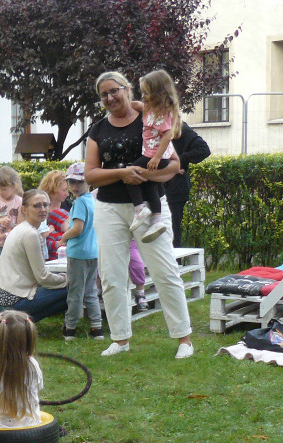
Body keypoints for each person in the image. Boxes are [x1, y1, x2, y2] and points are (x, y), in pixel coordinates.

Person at [85, 71, 194, 359]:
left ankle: (184, 339)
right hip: (109, 208)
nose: (110, 97)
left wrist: (144, 175)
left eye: (114, 90)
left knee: (164, 271)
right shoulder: (97, 130)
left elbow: (174, 165)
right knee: (112, 276)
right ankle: (120, 339)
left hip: (150, 207)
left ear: (127, 89)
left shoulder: (150, 117)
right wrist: (122, 173)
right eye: (104, 94)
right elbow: (90, 175)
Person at [0, 189, 68, 321]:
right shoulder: (30, 233)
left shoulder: (20, 228)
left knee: (66, 287)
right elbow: (42, 277)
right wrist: (67, 278)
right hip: (12, 301)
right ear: (24, 210)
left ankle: (22, 322)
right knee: (74, 287)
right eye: (37, 205)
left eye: (46, 205)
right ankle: (22, 321)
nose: (43, 209)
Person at [125, 69, 182, 244]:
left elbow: (167, 136)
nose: (143, 96)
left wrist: (156, 157)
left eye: (146, 93)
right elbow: (139, 105)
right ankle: (157, 221)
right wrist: (130, 104)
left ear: (158, 93)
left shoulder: (162, 114)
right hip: (153, 155)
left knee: (130, 174)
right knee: (151, 186)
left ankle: (140, 209)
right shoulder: (151, 109)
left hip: (154, 155)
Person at [58, 163, 103, 340]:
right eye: (71, 182)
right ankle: (97, 327)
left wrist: (64, 237)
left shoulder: (79, 203)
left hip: (78, 254)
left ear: (88, 182)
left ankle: (70, 328)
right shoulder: (93, 200)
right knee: (91, 291)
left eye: (79, 182)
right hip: (93, 252)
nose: (75, 186)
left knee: (75, 292)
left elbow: (77, 228)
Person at [165, 123, 211, 248]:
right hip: (154, 186)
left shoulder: (179, 127)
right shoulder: (148, 125)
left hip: (174, 187)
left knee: (172, 233)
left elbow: (203, 150)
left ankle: (175, 260)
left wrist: (177, 161)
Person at [0, 166, 22, 267]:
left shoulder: (19, 202)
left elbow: (19, 227)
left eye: (4, 189)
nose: (0, 192)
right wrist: (0, 221)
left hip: (12, 242)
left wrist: (4, 235)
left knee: (12, 268)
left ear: (14, 186)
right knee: (0, 268)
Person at [38, 170, 70, 260]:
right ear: (53, 189)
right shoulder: (40, 207)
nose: (67, 194)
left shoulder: (68, 205)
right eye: (64, 190)